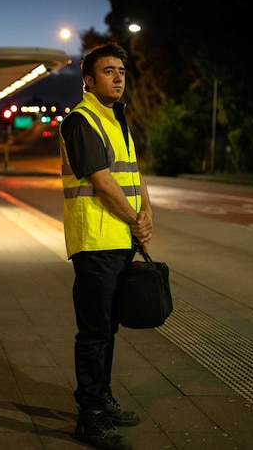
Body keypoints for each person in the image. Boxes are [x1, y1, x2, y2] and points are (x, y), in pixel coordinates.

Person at [58, 43, 153, 450]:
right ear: (89, 80)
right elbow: (101, 181)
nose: (118, 77)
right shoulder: (81, 121)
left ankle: (101, 399)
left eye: (121, 71)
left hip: (119, 240)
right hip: (95, 242)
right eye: (108, 71)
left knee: (108, 329)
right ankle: (90, 417)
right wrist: (135, 220)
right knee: (95, 332)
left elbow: (132, 173)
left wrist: (147, 214)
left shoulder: (117, 119)